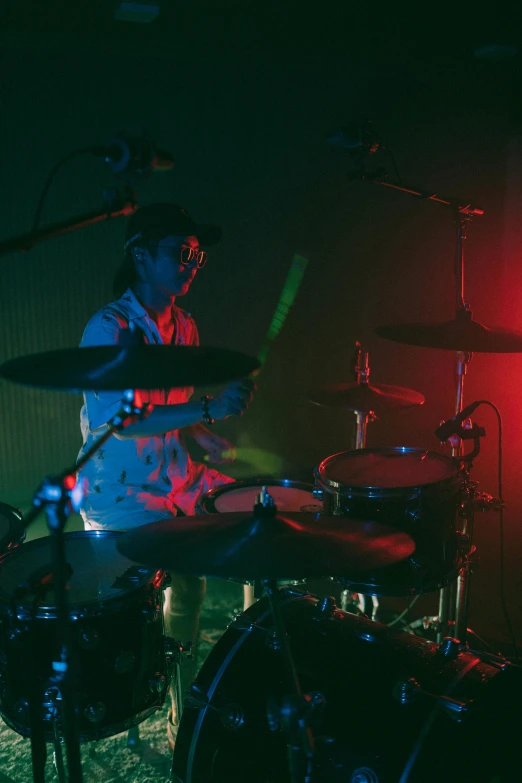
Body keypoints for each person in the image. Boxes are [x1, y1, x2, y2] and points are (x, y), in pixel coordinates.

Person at [77, 202, 255, 749]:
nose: (193, 262)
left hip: (176, 478)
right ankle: (144, 698)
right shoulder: (111, 326)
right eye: (182, 251)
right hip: (121, 491)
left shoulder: (185, 324)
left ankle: (206, 691)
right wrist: (208, 411)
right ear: (139, 254)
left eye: (197, 254)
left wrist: (203, 437)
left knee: (260, 526)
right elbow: (125, 425)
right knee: (147, 603)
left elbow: (172, 412)